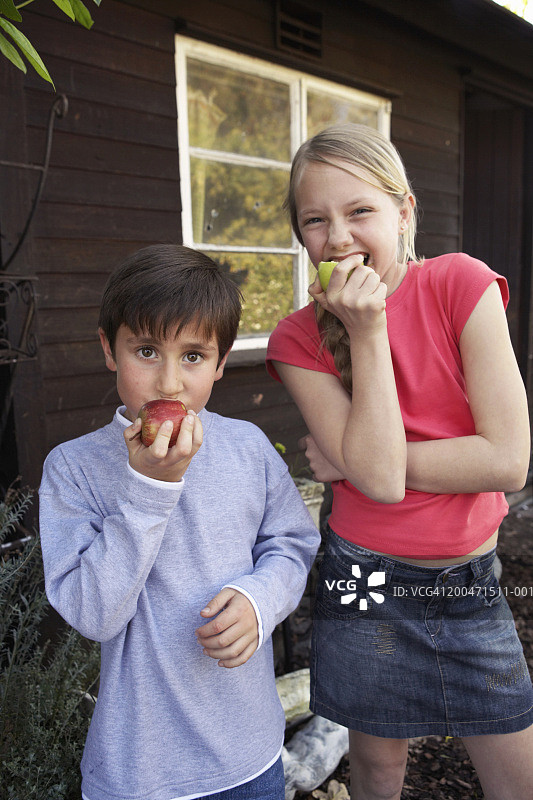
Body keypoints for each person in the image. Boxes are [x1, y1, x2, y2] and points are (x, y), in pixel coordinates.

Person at [266, 123, 533, 800]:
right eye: (315, 220)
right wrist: (367, 329)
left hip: (468, 581)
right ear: (301, 237)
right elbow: (381, 484)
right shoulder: (297, 338)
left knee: (515, 774)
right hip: (366, 579)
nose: (339, 237)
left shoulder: (460, 283)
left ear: (404, 212)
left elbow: (507, 461)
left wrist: (354, 460)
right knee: (379, 769)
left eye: (360, 210)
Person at [39, 244, 321, 800]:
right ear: (109, 349)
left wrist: (260, 600)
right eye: (146, 350)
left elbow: (291, 544)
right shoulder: (74, 468)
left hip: (250, 756)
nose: (169, 383)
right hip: (139, 772)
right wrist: (150, 490)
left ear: (221, 362)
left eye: (193, 355)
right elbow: (93, 613)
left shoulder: (248, 447)